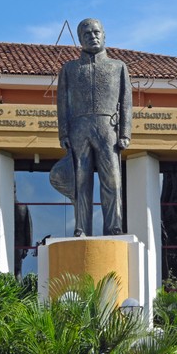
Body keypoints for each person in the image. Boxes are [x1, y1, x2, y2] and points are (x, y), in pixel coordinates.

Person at [55, 18, 132, 237]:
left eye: (96, 32)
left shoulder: (118, 67)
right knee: (81, 181)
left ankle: (114, 226)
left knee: (113, 180)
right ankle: (81, 227)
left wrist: (125, 133)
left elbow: (126, 101)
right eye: (87, 34)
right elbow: (62, 103)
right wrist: (63, 133)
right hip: (79, 128)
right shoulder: (69, 69)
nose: (93, 36)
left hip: (109, 128)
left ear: (104, 35)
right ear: (80, 39)